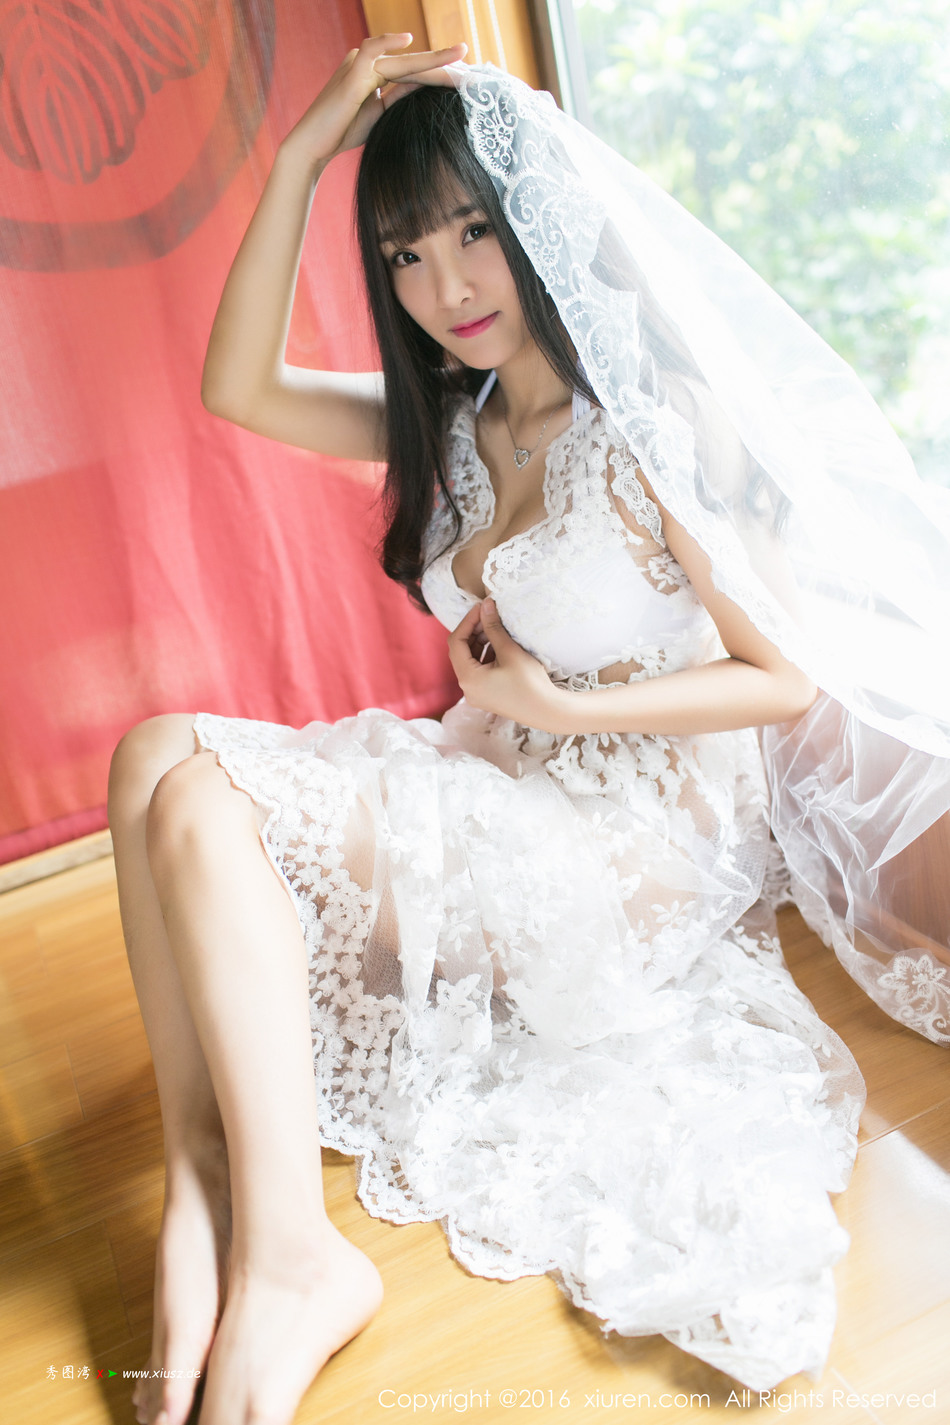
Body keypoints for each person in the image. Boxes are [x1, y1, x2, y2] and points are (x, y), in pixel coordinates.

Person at [108, 31, 950, 1425]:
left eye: (472, 234)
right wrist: (306, 151)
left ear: (539, 221)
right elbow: (237, 387)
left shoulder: (644, 425)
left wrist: (559, 703)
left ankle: (294, 1255)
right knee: (148, 753)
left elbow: (782, 678)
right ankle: (206, 1175)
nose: (444, 288)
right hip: (503, 772)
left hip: (635, 839)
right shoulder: (458, 420)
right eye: (403, 255)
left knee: (202, 804)